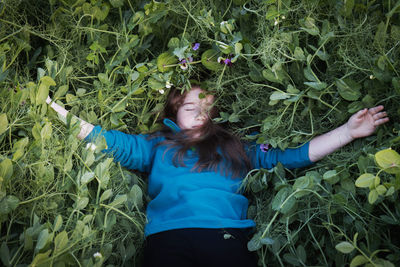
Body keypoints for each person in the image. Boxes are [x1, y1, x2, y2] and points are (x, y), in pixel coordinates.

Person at [46, 85, 389, 267]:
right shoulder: (156, 145)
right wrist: (56, 113)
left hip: (227, 236)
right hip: (168, 237)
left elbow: (293, 156)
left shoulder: (239, 147)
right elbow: (110, 141)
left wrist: (348, 132)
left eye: (206, 108)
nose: (199, 114)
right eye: (190, 108)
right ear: (174, 113)